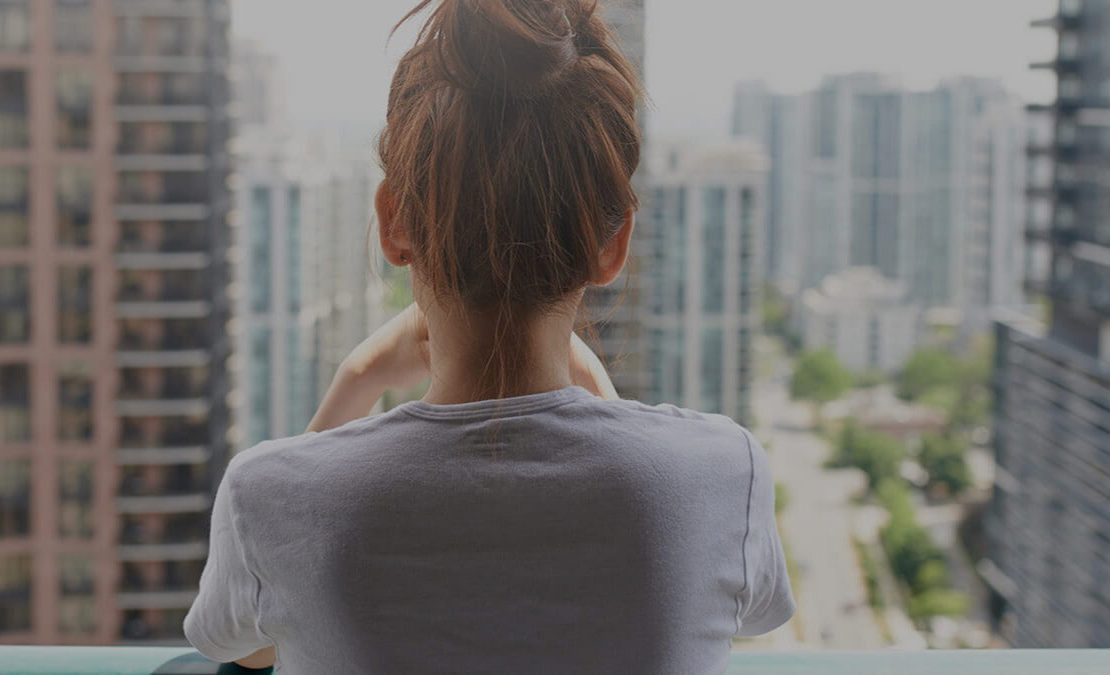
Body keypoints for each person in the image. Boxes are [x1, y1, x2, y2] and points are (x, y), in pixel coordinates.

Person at [183, 0, 794, 672]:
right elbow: (725, 604)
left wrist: (357, 381)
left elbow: (250, 646)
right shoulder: (721, 472)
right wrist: (594, 392)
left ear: (393, 223)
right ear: (612, 246)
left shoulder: (269, 493)